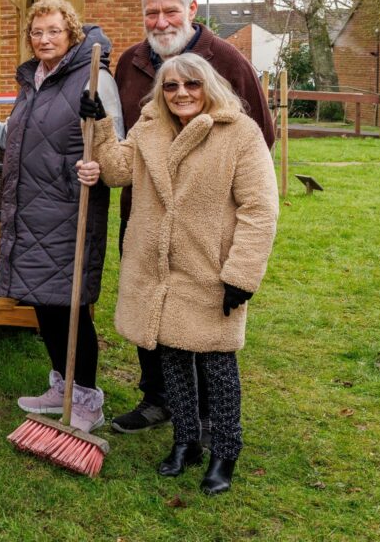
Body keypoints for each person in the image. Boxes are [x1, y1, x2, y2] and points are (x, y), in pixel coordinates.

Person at [81, 53, 279, 495]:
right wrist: (99, 126)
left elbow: (260, 210)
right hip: (156, 269)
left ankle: (225, 452)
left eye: (191, 84)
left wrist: (241, 275)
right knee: (171, 358)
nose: (181, 93)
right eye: (171, 87)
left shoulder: (239, 134)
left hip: (209, 268)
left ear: (208, 85)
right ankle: (185, 443)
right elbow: (116, 170)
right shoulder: (150, 127)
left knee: (218, 364)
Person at [0, 0, 122, 430]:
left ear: (71, 33)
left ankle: (87, 400)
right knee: (44, 302)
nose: (44, 39)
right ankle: (62, 386)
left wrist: (99, 166)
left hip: (68, 205)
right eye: (37, 32)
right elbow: (15, 138)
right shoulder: (35, 80)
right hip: (30, 207)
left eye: (53, 31)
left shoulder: (94, 78)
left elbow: (118, 145)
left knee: (70, 306)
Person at [110, 0, 276, 437]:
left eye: (170, 12)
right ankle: (158, 398)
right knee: (151, 306)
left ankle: (206, 417)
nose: (161, 22)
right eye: (151, 13)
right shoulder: (132, 63)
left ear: (192, 10)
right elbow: (128, 140)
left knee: (202, 320)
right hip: (144, 215)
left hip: (205, 225)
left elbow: (258, 137)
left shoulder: (226, 61)